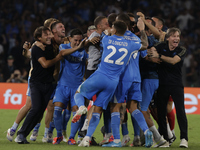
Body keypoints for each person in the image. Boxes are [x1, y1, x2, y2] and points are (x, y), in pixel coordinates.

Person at [73, 20, 149, 147]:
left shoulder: (106, 39)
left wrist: (107, 32)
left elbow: (100, 35)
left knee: (78, 93)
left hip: (100, 75)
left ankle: (81, 106)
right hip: (113, 81)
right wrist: (142, 31)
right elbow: (145, 45)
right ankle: (87, 138)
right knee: (98, 109)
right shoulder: (130, 44)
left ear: (114, 29)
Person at [103, 13, 153, 148]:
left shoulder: (114, 37)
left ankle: (117, 140)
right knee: (133, 107)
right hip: (136, 77)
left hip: (122, 77)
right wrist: (142, 31)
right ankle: (147, 131)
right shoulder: (136, 38)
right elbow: (144, 51)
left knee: (115, 106)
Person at [14, 26, 62, 144]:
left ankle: (23, 134)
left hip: (49, 83)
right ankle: (20, 133)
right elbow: (45, 64)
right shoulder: (36, 48)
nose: (49, 36)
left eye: (49, 33)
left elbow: (62, 39)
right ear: (39, 38)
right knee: (35, 108)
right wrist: (58, 58)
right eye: (46, 34)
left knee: (40, 111)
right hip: (36, 83)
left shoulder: (50, 45)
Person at [149, 27, 188, 148]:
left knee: (180, 111)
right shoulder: (161, 45)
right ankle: (165, 140)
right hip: (162, 84)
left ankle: (184, 139)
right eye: (174, 36)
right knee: (161, 113)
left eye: (178, 36)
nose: (176, 38)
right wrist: (153, 56)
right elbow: (151, 53)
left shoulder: (182, 49)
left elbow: (173, 61)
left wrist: (159, 56)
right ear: (168, 38)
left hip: (176, 84)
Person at [52, 28, 88, 145]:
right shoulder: (64, 47)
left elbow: (89, 64)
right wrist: (79, 47)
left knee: (76, 113)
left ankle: (72, 137)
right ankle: (58, 135)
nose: (78, 42)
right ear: (70, 38)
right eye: (75, 40)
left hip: (77, 88)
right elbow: (61, 54)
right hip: (62, 85)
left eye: (79, 40)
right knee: (56, 110)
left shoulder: (85, 52)